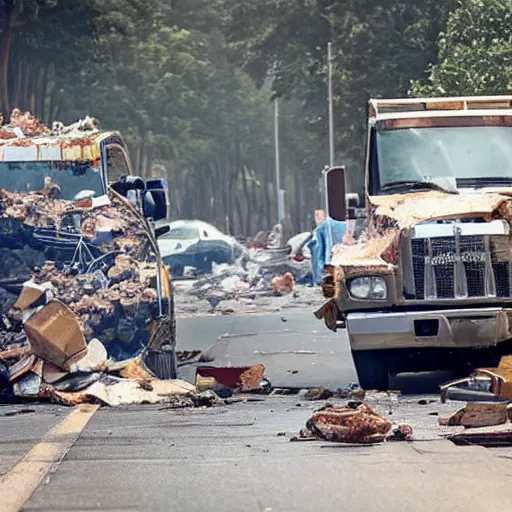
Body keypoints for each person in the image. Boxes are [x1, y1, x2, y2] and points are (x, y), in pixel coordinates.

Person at [307, 210, 349, 286]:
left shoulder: (324, 228)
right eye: (316, 215)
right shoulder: (322, 230)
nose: (316, 218)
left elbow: (320, 255)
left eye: (317, 215)